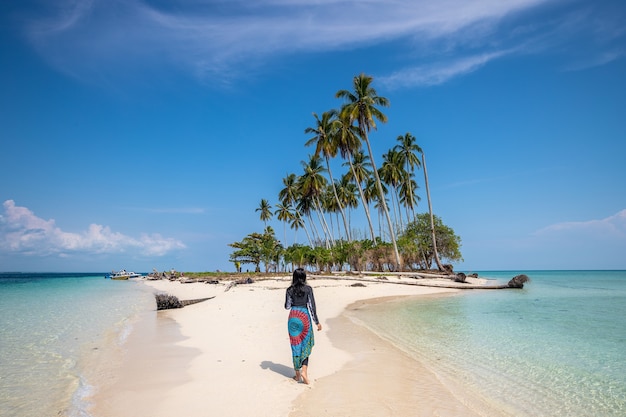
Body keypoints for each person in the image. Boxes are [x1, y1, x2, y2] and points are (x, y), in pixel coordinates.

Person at [285, 268, 322, 384]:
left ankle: (297, 375)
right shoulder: (308, 289)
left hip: (293, 317)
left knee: (295, 345)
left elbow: (287, 306)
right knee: (305, 344)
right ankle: (304, 372)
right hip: (304, 317)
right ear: (304, 277)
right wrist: (317, 322)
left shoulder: (289, 290)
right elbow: (311, 306)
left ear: (294, 277)